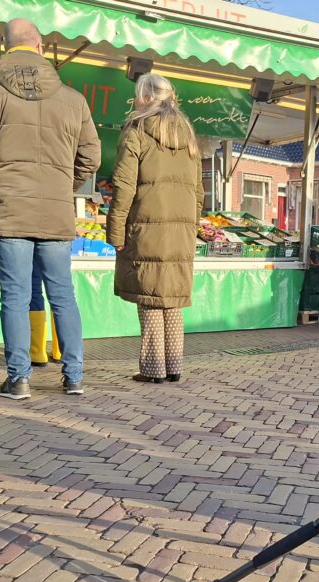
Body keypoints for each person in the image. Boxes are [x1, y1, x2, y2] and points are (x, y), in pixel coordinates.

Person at [0, 17, 100, 400]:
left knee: (15, 297)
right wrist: (62, 186)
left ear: (6, 47)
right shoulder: (72, 98)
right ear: (40, 48)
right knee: (63, 294)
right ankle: (74, 377)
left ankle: (18, 379)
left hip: (8, 206)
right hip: (55, 210)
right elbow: (91, 156)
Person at [107, 74, 203, 384]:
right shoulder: (188, 133)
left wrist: (115, 231)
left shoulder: (136, 130)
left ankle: (152, 369)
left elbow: (124, 186)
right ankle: (173, 366)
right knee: (171, 299)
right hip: (181, 231)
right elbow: (199, 191)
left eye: (138, 95)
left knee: (150, 297)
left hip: (146, 227)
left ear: (146, 97)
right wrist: (192, 226)